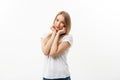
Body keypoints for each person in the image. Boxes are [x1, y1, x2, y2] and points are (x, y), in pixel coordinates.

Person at [40, 11, 73, 80]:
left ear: (66, 25)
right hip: (47, 76)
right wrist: (54, 33)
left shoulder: (68, 38)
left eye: (62, 22)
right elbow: (45, 52)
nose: (58, 24)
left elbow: (53, 53)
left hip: (62, 76)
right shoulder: (45, 36)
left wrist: (58, 34)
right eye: (57, 20)